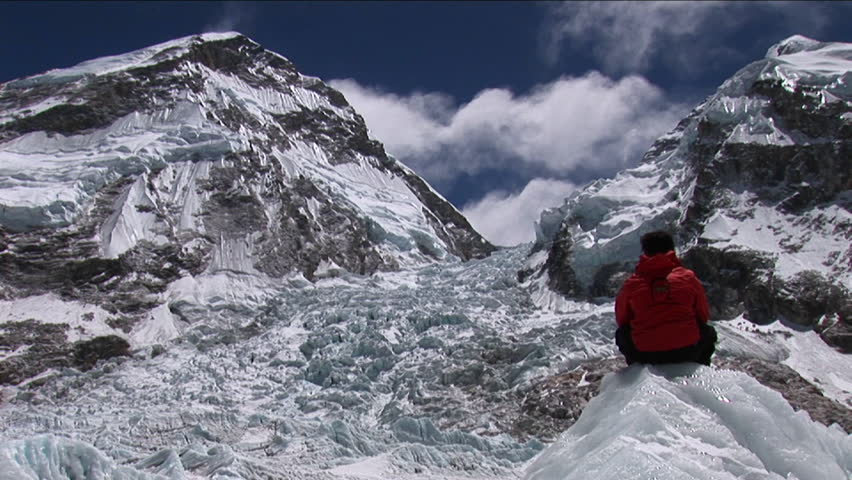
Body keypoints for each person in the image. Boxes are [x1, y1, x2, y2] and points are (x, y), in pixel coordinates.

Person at [615, 231, 717, 366]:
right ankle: (701, 367)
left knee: (622, 333)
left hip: (645, 354)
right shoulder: (688, 277)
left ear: (645, 252)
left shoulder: (632, 284)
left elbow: (622, 319)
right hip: (688, 350)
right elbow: (702, 314)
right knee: (708, 332)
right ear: (672, 249)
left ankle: (637, 369)